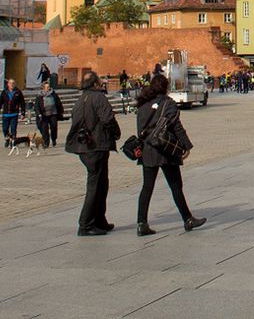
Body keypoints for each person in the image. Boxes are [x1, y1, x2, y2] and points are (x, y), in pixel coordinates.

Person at [133, 75, 204, 236]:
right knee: (175, 186)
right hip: (166, 150)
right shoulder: (168, 104)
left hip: (148, 150)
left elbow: (140, 131)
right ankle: (188, 219)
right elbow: (177, 127)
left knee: (147, 187)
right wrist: (187, 146)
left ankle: (141, 223)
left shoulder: (143, 105)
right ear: (166, 87)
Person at [66, 70, 120, 235]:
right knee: (95, 185)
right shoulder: (98, 98)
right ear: (96, 83)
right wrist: (116, 133)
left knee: (101, 184)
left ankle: (99, 220)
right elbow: (108, 118)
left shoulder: (80, 100)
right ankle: (85, 224)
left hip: (84, 147)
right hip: (97, 145)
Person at [0, 78, 27, 147]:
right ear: (8, 84)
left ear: (15, 84)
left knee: (13, 128)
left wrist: (23, 113)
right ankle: (7, 138)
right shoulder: (4, 92)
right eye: (10, 83)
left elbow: (22, 103)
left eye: (13, 83)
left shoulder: (18, 92)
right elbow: (0, 102)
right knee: (5, 129)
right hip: (6, 114)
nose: (12, 85)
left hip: (14, 114)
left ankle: (13, 142)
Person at [34, 81, 65, 148]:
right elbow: (36, 106)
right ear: (43, 88)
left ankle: (53, 139)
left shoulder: (53, 94)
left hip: (53, 113)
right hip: (44, 114)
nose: (48, 88)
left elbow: (58, 103)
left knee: (54, 127)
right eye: (47, 87)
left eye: (49, 87)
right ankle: (46, 142)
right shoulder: (39, 96)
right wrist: (38, 113)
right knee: (44, 129)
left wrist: (61, 111)